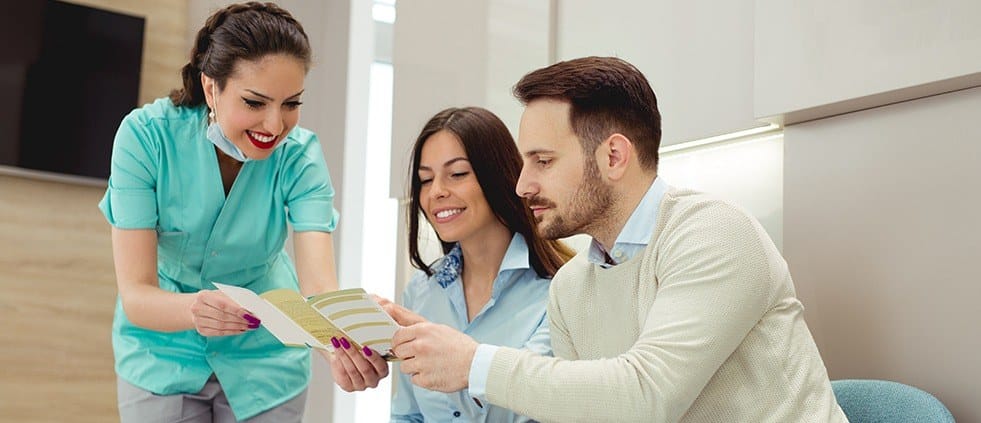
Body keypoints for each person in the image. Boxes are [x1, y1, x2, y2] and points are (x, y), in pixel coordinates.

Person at [387, 57, 849, 422]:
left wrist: (473, 364)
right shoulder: (571, 287)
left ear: (613, 155)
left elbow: (647, 398)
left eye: (543, 161)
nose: (521, 185)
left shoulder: (712, 234)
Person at [99, 3, 385, 422]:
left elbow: (319, 285)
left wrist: (336, 343)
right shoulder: (146, 138)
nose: (274, 124)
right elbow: (137, 296)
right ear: (211, 88)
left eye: (291, 104)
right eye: (255, 102)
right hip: (161, 351)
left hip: (267, 358)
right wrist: (194, 309)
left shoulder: (299, 155)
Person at [378, 107, 572, 421]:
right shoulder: (420, 292)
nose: (436, 192)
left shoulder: (560, 291)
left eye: (457, 174)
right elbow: (408, 415)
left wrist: (465, 365)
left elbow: (536, 405)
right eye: (425, 180)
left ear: (499, 175)